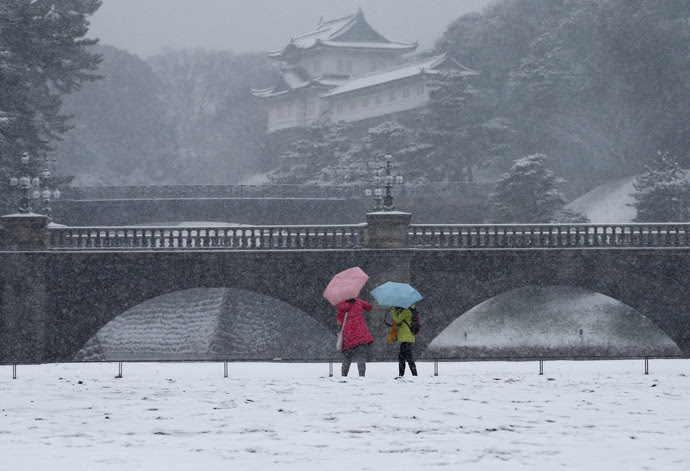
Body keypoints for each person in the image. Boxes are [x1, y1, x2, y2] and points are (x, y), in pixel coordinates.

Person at [337, 298, 373, 377]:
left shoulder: (340, 305)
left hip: (348, 336)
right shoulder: (358, 302)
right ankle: (362, 375)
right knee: (361, 357)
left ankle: (344, 376)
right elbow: (369, 307)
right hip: (361, 334)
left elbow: (339, 323)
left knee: (347, 358)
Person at [391, 305, 418, 377]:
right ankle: (410, 374)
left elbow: (397, 320)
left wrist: (393, 310)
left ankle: (406, 374)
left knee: (404, 357)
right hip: (408, 337)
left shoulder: (406, 311)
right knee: (405, 357)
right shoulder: (411, 310)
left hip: (406, 337)